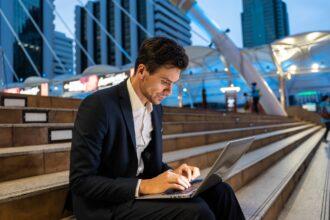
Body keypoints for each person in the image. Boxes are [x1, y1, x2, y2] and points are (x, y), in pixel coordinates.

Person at [69, 37, 245, 220]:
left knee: (221, 192)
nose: (169, 91)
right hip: (107, 205)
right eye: (165, 82)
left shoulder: (155, 108)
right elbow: (81, 181)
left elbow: (147, 163)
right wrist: (145, 186)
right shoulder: (98, 105)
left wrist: (173, 173)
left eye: (173, 84)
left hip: (139, 195)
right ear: (142, 71)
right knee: (197, 212)